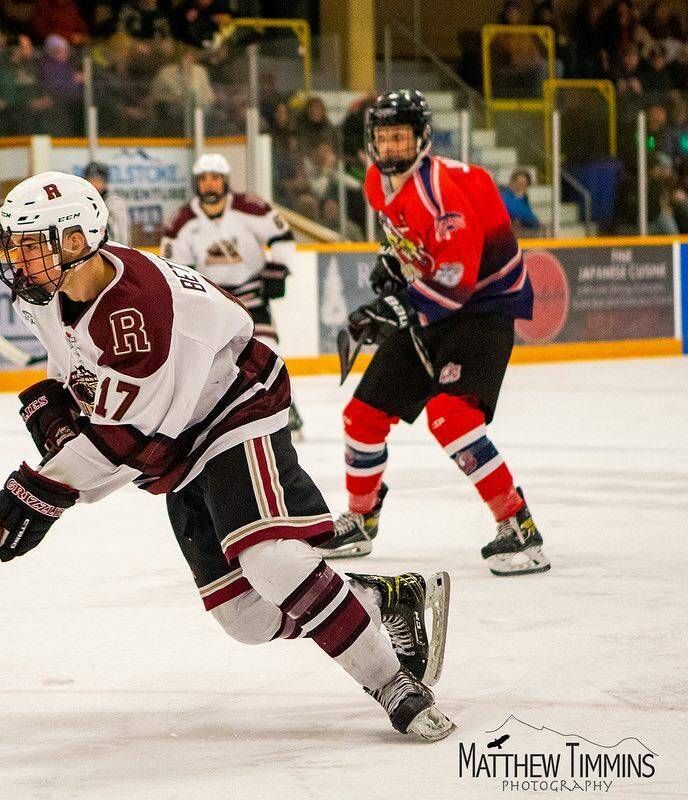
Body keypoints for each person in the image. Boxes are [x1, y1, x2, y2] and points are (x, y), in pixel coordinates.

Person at [0, 170, 456, 742]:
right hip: (176, 431)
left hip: (231, 405)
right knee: (246, 618)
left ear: (76, 241)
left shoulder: (135, 314)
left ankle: (392, 682)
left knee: (270, 560)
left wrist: (30, 495)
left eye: (32, 244)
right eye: (16, 243)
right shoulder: (51, 293)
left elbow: (125, 444)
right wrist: (53, 433)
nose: (18, 258)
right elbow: (76, 378)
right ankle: (385, 599)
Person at [315, 90, 550, 577]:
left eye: (400, 136)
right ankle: (360, 521)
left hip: (481, 313)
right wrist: (392, 263)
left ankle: (520, 527)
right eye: (383, 136)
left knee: (452, 418)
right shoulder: (378, 183)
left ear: (422, 138)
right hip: (430, 308)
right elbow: (411, 243)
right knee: (361, 417)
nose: (391, 146)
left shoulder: (443, 193)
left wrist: (393, 308)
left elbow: (457, 283)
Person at [160, 153, 303, 438]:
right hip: (214, 302)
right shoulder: (182, 221)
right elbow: (175, 266)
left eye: (215, 179)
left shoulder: (250, 207)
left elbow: (282, 237)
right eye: (204, 180)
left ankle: (287, 407)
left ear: (225, 181)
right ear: (196, 184)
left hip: (251, 295)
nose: (210, 185)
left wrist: (278, 269)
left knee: (267, 349)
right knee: (210, 361)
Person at [83, 161, 130, 245]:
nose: (94, 184)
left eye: (98, 180)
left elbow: (121, 235)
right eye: (90, 180)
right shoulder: (82, 202)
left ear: (105, 182)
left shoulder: (114, 202)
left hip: (111, 251)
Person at [499, 168, 542, 232]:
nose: (523, 187)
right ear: (512, 183)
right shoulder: (505, 197)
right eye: (520, 183)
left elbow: (533, 222)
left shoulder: (524, 199)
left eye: (525, 184)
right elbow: (522, 214)